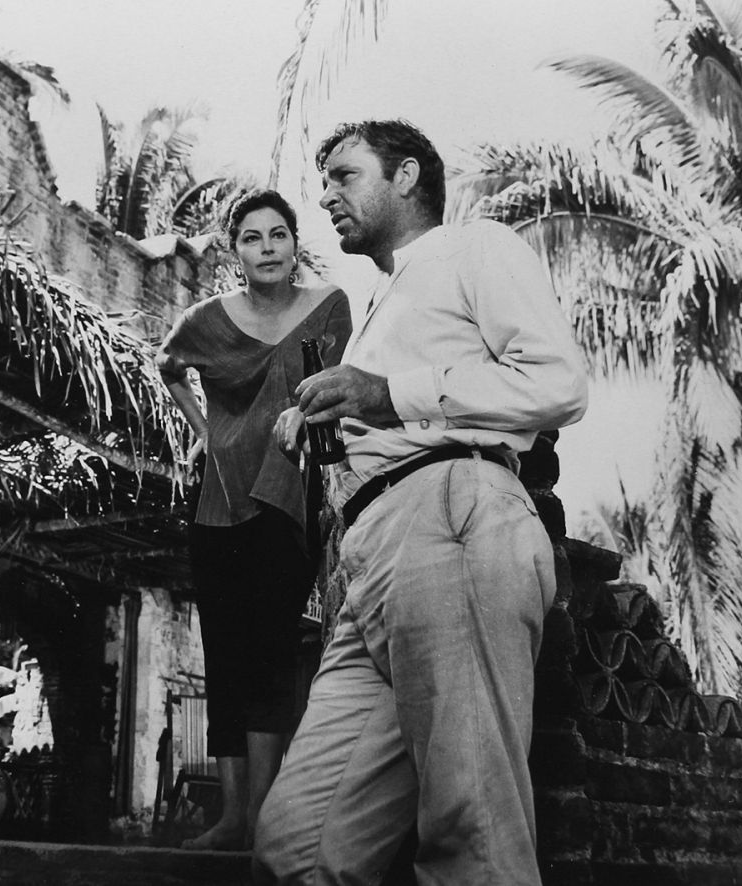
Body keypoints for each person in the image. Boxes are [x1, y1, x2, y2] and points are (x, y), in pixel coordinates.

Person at [255, 121, 588, 885]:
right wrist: (330, 431)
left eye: (345, 175)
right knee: (297, 849)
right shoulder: (381, 303)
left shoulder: (475, 248)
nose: (327, 195)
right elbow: (388, 417)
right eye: (325, 181)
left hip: (453, 519)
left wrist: (383, 394)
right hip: (371, 564)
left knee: (471, 835)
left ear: (406, 177)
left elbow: (557, 386)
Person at [156, 188, 353, 850]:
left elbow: (329, 393)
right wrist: (207, 431)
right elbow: (168, 366)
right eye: (252, 238)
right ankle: (233, 818)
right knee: (227, 656)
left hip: (287, 496)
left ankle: (266, 818)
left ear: (294, 243)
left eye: (277, 235)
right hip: (216, 502)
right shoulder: (207, 319)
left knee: (269, 653)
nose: (267, 248)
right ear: (233, 250)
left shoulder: (328, 308)